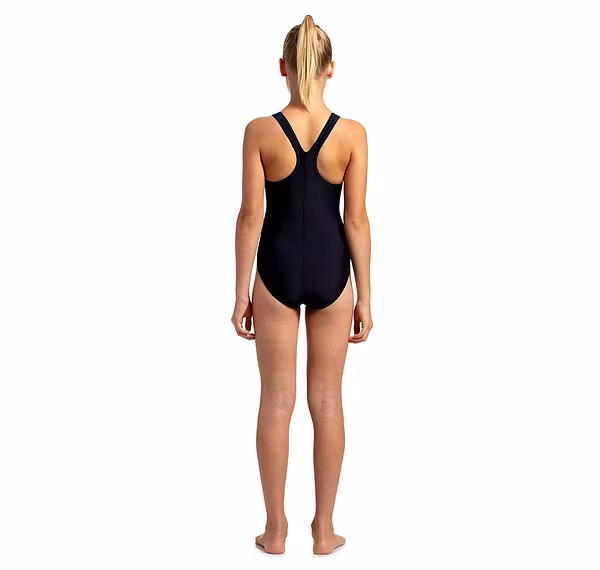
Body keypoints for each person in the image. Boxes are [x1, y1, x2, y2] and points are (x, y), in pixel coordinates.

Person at [232, 15, 372, 555]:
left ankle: (274, 532)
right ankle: (324, 530)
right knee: (328, 401)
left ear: (283, 67)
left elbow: (251, 217)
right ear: (330, 69)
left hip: (276, 269)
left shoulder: (260, 132)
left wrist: (241, 291)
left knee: (276, 401)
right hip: (334, 272)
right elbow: (356, 220)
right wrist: (365, 295)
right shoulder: (352, 134)